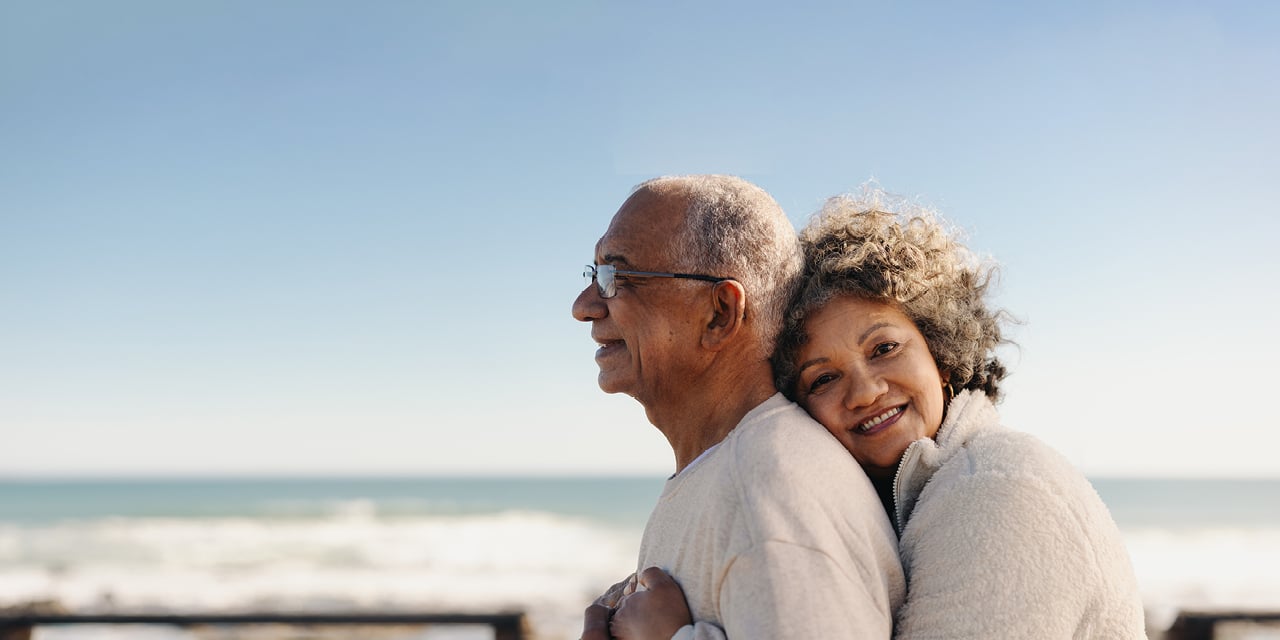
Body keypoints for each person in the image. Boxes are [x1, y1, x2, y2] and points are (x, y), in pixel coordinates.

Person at [614, 189, 1148, 639]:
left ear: (941, 353)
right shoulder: (918, 495)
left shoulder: (998, 492)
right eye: (823, 378)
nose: (865, 392)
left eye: (884, 349)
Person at [572, 176, 905, 640]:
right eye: (593, 275)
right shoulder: (735, 471)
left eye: (615, 276)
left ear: (719, 314)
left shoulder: (769, 491)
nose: (584, 307)